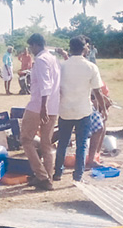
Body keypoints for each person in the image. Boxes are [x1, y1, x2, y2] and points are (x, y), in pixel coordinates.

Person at [53, 37, 106, 182]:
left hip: (65, 110)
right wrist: (103, 109)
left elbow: (57, 89)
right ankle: (78, 175)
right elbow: (97, 91)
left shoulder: (62, 66)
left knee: (62, 143)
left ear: (70, 48)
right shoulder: (91, 67)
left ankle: (58, 172)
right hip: (83, 111)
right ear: (84, 48)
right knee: (81, 144)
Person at [20, 33, 60, 191]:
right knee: (46, 143)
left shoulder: (41, 60)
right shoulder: (53, 59)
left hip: (39, 106)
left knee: (25, 139)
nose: (31, 50)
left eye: (31, 47)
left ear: (36, 45)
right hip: (53, 106)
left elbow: (46, 85)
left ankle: (42, 176)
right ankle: (47, 178)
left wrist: (43, 107)